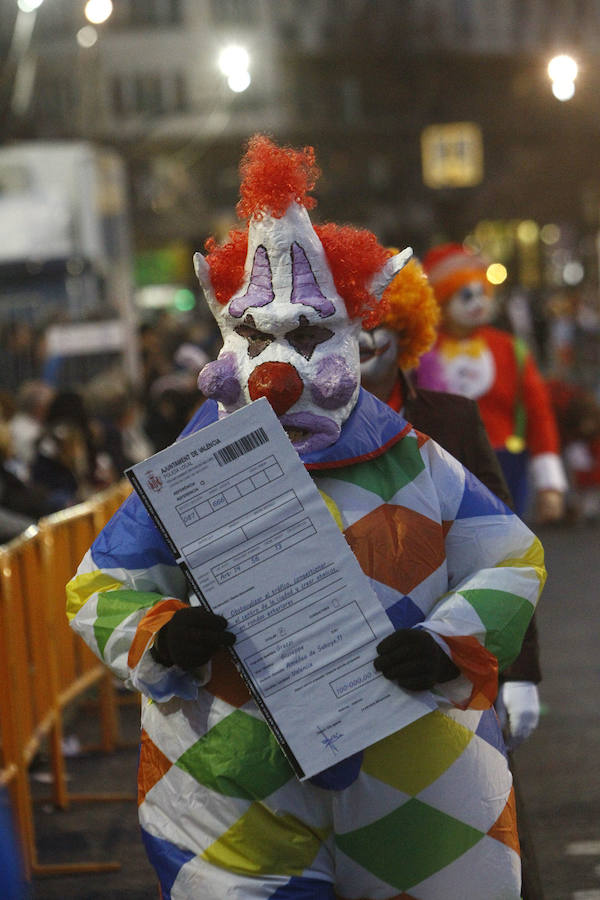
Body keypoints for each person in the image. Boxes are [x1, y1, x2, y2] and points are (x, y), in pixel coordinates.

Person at [67, 135, 546, 899]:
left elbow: (511, 556)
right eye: (256, 336)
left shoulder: (412, 457)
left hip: (414, 799)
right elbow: (99, 584)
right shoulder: (193, 474)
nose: (278, 374)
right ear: (227, 337)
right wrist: (160, 633)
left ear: (354, 338)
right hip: (235, 802)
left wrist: (448, 642)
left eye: (310, 335)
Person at [359, 256, 541, 752]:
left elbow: (502, 550)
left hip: (446, 663)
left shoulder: (451, 420)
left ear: (406, 332)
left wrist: (519, 672)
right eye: (343, 327)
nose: (360, 342)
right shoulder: (288, 432)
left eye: (377, 326)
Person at [415, 242, 567, 523]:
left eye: (481, 293)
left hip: (506, 465)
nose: (478, 303)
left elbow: (539, 413)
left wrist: (550, 485)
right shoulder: (420, 351)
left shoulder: (509, 349)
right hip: (441, 469)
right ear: (442, 301)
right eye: (465, 296)